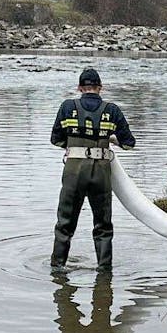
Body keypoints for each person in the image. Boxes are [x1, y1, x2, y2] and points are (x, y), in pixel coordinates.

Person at [50, 67, 136, 270]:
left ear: (80, 88)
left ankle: (57, 269)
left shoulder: (67, 107)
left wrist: (74, 145)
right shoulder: (112, 109)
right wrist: (112, 139)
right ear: (100, 88)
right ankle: (104, 272)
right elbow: (129, 143)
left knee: (65, 224)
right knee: (103, 226)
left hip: (73, 171)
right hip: (101, 172)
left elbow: (55, 140)